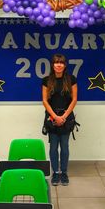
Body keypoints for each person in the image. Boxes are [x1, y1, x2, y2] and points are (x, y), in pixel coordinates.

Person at [42, 54, 78, 186]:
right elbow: (45, 101)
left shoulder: (71, 79)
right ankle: (55, 173)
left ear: (65, 65)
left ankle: (64, 172)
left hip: (66, 118)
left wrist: (63, 116)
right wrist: (55, 117)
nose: (59, 65)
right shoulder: (46, 80)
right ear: (52, 65)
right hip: (51, 118)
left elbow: (74, 100)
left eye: (61, 63)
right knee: (53, 148)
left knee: (64, 147)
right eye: (56, 62)